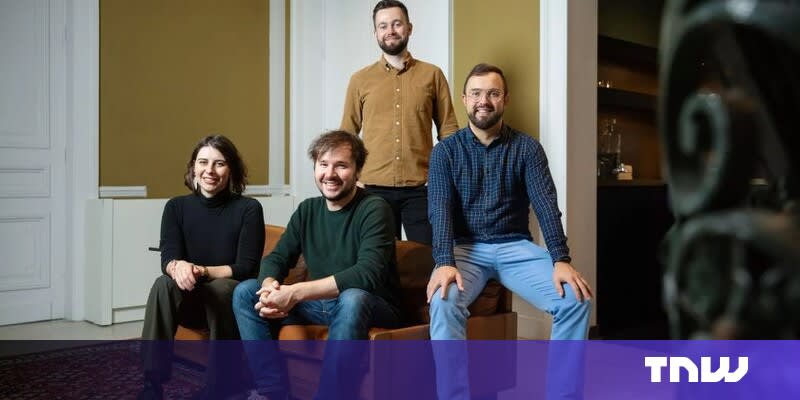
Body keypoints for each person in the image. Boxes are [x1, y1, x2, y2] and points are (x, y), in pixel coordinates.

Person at [426, 64, 593, 399]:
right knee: (444, 301)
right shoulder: (445, 151)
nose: (483, 101)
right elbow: (439, 209)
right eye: (476, 93)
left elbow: (546, 204)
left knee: (575, 299)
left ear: (505, 99)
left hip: (515, 247)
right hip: (465, 249)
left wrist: (561, 259)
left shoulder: (528, 148)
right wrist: (444, 261)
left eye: (493, 93)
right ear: (464, 99)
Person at [233, 130, 402, 400]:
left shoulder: (374, 208)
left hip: (372, 304)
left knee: (353, 296)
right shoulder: (308, 210)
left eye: (341, 165)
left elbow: (367, 274)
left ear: (358, 171)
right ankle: (272, 392)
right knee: (245, 292)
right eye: (323, 164)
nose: (330, 174)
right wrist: (269, 287)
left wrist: (295, 292)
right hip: (321, 304)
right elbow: (277, 258)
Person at [138, 135, 265, 400]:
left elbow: (246, 267)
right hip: (188, 301)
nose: (210, 170)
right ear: (193, 167)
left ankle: (220, 387)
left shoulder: (249, 209)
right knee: (163, 284)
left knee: (220, 288)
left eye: (219, 163)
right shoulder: (176, 207)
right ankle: (152, 384)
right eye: (203, 162)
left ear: (231, 169)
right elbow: (168, 258)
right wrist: (177, 267)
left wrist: (201, 270)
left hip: (226, 307)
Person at [340, 0, 459, 245]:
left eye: (397, 24)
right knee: (380, 260)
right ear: (375, 33)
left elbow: (448, 130)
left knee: (426, 257)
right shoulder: (360, 80)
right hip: (372, 189)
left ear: (409, 28)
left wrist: (442, 176)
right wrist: (355, 179)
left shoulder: (433, 75)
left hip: (422, 188)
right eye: (383, 26)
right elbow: (347, 135)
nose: (390, 31)